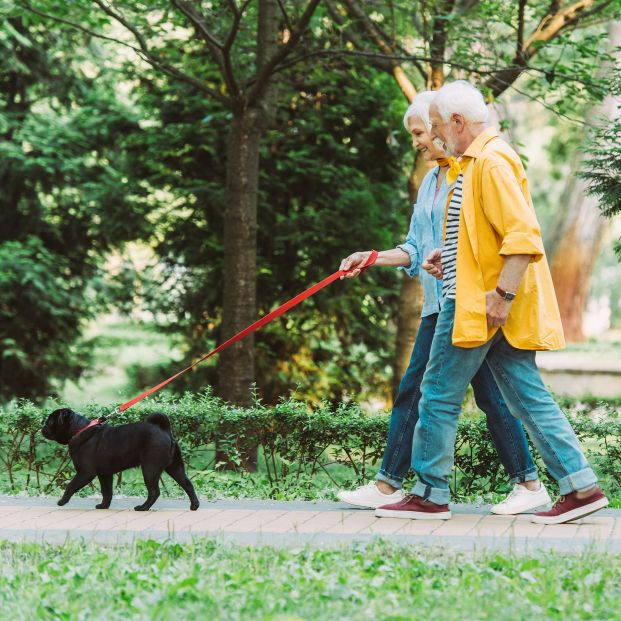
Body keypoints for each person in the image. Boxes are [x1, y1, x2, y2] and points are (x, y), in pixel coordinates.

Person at [375, 81, 608, 525]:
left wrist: (500, 296)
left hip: (483, 304)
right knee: (526, 395)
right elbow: (491, 235)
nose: (437, 136)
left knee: (438, 390)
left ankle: (429, 494)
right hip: (485, 298)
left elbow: (523, 237)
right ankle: (581, 486)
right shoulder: (475, 163)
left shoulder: (491, 161)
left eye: (439, 127)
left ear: (458, 123)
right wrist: (454, 252)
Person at [337, 91, 549, 516]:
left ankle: (524, 482)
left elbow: (508, 238)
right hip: (440, 303)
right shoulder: (431, 182)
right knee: (420, 390)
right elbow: (417, 247)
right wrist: (374, 257)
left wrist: (500, 295)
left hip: (471, 302)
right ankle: (393, 484)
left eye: (421, 131)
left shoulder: (471, 173)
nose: (419, 140)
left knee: (486, 394)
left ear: (442, 127)